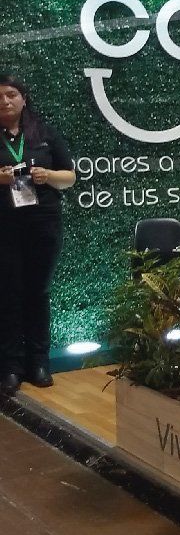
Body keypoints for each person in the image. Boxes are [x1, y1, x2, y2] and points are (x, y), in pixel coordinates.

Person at [0, 76, 76, 396]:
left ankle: (39, 362)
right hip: (5, 226)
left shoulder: (44, 133)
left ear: (23, 99)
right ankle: (10, 366)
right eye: (0, 97)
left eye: (11, 95)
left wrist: (48, 175)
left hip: (43, 223)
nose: (5, 101)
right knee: (8, 294)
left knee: (38, 292)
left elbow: (70, 177)